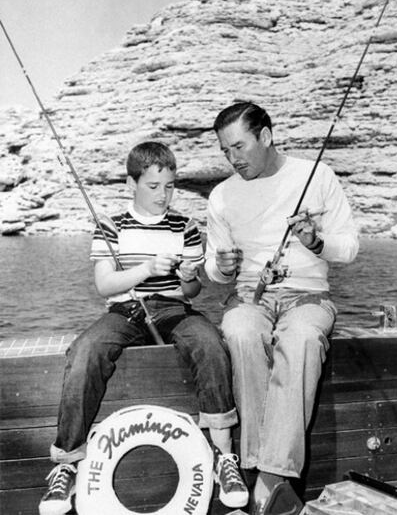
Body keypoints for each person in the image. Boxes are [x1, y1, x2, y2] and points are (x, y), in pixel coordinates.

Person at [39, 141, 248, 515]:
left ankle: (224, 458)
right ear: (130, 183)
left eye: (169, 186)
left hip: (174, 308)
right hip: (124, 311)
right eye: (153, 187)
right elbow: (105, 285)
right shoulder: (110, 225)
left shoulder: (186, 226)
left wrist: (187, 277)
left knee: (210, 343)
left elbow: (192, 290)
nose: (163, 195)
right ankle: (67, 463)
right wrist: (147, 269)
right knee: (85, 351)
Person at [205, 102, 359, 515]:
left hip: (308, 297)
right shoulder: (222, 196)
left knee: (304, 338)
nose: (233, 159)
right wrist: (220, 268)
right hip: (250, 298)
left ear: (266, 136)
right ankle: (265, 478)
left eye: (239, 147)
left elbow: (349, 247)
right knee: (240, 331)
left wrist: (316, 241)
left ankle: (267, 478)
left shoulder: (318, 176)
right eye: (225, 151)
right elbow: (212, 270)